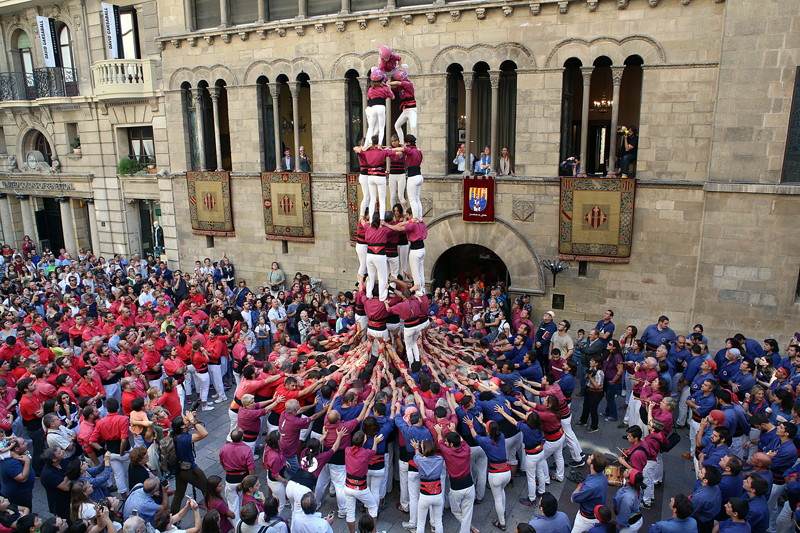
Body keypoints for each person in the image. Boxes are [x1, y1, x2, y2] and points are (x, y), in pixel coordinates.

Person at [463, 418, 509, 531]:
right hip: (506, 471)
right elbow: (492, 430)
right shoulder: (501, 436)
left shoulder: (485, 441)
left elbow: (474, 435)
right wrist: (484, 423)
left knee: (497, 498)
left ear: (488, 431)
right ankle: (502, 512)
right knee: (502, 491)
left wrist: (470, 425)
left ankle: (502, 522)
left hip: (495, 474)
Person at [170, 412, 209, 514]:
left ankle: (173, 517)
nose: (188, 420)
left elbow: (201, 425)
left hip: (179, 469)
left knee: (179, 493)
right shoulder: (183, 439)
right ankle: (212, 513)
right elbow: (204, 433)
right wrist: (192, 421)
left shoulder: (176, 435)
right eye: (186, 420)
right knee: (207, 489)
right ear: (182, 426)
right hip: (190, 470)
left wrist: (194, 418)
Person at [219, 429, 254, 525]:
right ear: (242, 438)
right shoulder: (246, 449)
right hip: (244, 479)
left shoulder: (224, 448)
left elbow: (222, 463)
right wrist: (253, 480)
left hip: (230, 479)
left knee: (233, 504)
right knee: (246, 501)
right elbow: (251, 468)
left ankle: (236, 527)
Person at [570, 451, 609, 533]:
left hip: (586, 519)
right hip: (596, 513)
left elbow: (573, 498)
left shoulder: (590, 487)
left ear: (592, 465)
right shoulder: (603, 476)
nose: (589, 456)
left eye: (591, 457)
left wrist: (579, 486)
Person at [391, 135, 424, 220]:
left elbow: (403, 149)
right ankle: (419, 218)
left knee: (412, 200)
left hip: (412, 177)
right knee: (417, 199)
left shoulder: (410, 150)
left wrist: (390, 149)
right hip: (419, 176)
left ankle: (415, 217)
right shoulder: (418, 151)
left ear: (408, 143)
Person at [0, 437, 34, 509]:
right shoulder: (11, 464)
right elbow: (22, 478)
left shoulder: (15, 457)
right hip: (19, 496)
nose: (26, 443)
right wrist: (27, 461)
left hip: (23, 492)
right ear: (17, 449)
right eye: (23, 443)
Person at [40, 446, 73, 520]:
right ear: (54, 459)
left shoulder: (61, 462)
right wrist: (72, 473)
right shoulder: (49, 474)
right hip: (61, 503)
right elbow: (66, 487)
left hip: (70, 498)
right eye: (60, 453)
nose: (63, 452)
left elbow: (73, 466)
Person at [364, 70, 393, 148]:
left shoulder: (371, 89)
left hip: (373, 107)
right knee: (381, 127)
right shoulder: (384, 88)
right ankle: (379, 144)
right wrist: (389, 88)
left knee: (371, 127)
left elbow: (367, 97)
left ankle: (370, 143)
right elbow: (392, 97)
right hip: (381, 107)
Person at [389, 70, 417, 145]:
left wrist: (386, 83)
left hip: (412, 109)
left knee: (413, 126)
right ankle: (402, 142)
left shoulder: (409, 84)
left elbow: (397, 83)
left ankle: (414, 143)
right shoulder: (400, 87)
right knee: (397, 125)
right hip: (405, 110)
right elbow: (394, 86)